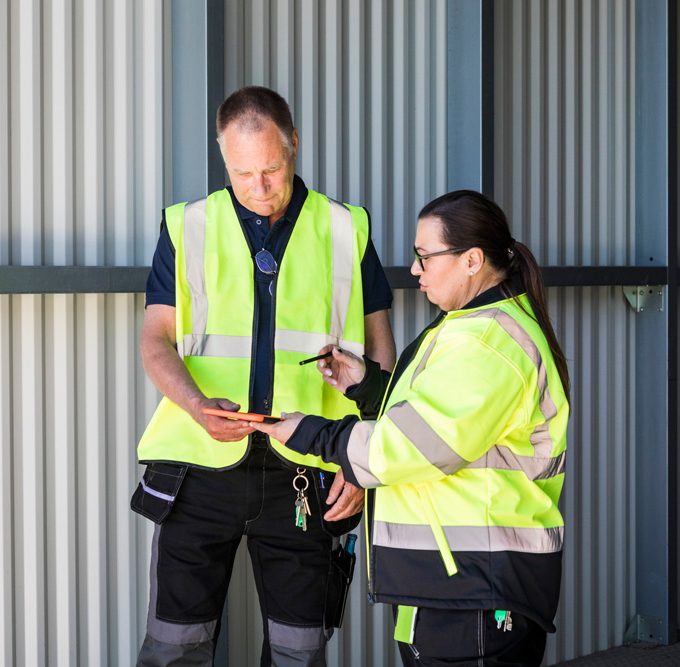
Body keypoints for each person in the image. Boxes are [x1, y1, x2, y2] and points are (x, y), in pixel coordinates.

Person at [131, 85, 396, 666]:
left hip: (310, 470)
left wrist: (365, 462)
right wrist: (199, 406)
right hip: (199, 467)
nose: (258, 189)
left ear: (294, 144)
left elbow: (381, 354)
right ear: (222, 156)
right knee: (174, 649)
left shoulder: (346, 228)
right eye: (241, 173)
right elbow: (155, 343)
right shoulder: (187, 227)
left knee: (300, 653)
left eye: (272, 170)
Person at [254, 190, 571, 667]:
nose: (416, 271)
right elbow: (435, 418)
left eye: (425, 257)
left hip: (473, 588)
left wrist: (309, 433)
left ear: (472, 260)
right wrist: (367, 385)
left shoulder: (487, 343)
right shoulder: (466, 326)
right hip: (455, 582)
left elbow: (405, 447)